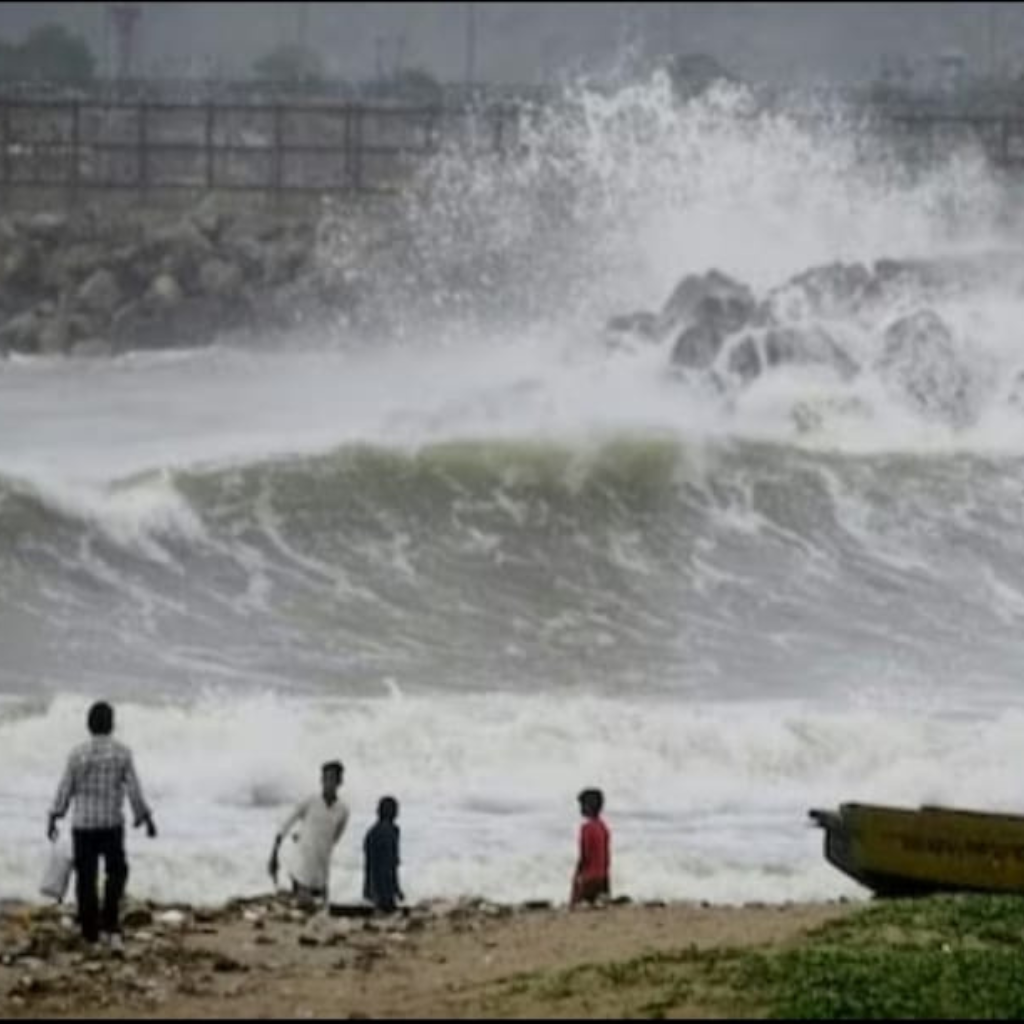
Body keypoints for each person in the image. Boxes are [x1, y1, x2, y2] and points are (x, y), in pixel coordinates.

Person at [47, 701, 157, 949]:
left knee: (85, 878)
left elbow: (65, 789)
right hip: (111, 824)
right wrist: (145, 819)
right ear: (111, 725)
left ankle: (90, 933)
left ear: (89, 725)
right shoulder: (122, 753)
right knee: (116, 873)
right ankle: (110, 924)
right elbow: (134, 791)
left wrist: (54, 816)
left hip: (83, 825)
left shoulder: (77, 753)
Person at [268, 761, 349, 907]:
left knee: (321, 906)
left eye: (332, 779)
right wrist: (274, 854)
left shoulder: (342, 810)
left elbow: (335, 838)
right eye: (325, 779)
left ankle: (286, 896)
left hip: (322, 866)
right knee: (307, 906)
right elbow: (286, 824)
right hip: (302, 864)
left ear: (339, 782)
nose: (328, 783)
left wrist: (310, 837)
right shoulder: (310, 801)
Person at [570, 787, 610, 907]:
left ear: (587, 807)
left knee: (578, 899)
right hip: (602, 879)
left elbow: (584, 856)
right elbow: (606, 857)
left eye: (581, 805)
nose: (580, 809)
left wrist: (577, 876)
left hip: (589, 880)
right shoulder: (604, 827)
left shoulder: (586, 828)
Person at [363, 796, 404, 913]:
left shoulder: (371, 832)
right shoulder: (391, 831)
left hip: (373, 887)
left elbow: (370, 865)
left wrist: (369, 891)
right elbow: (391, 864)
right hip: (383, 889)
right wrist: (396, 889)